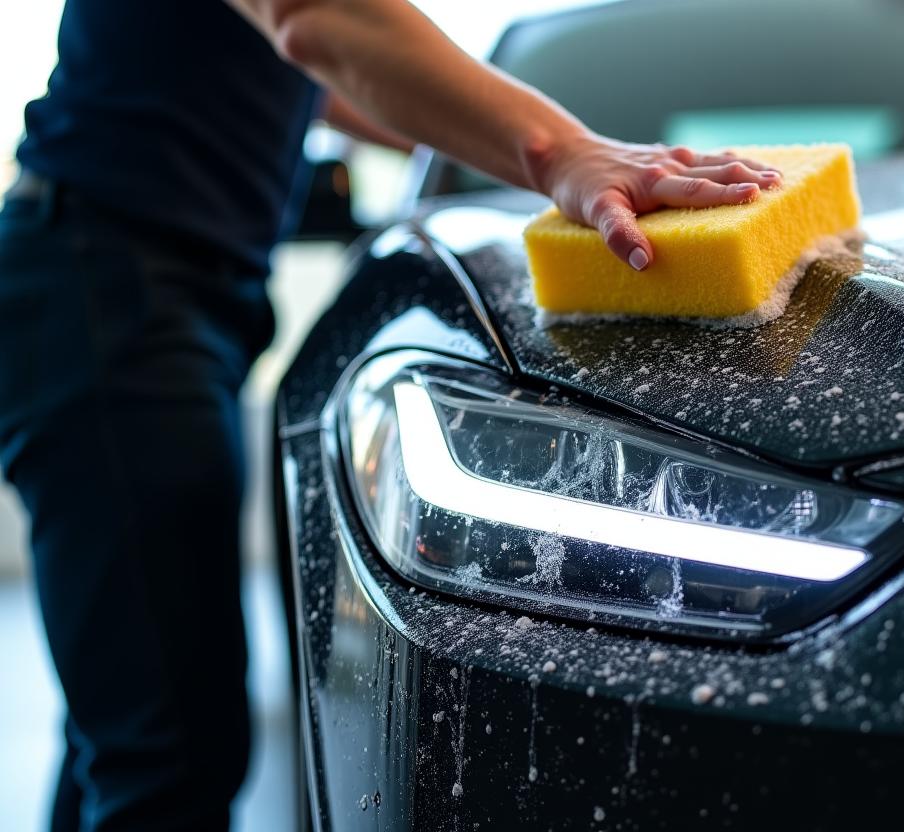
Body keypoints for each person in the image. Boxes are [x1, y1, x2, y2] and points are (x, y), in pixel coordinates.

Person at [0, 1, 781, 829]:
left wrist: (517, 140)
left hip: (134, 284)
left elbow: (329, 72)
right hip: (104, 288)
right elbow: (319, 20)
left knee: (133, 716)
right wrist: (564, 152)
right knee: (168, 751)